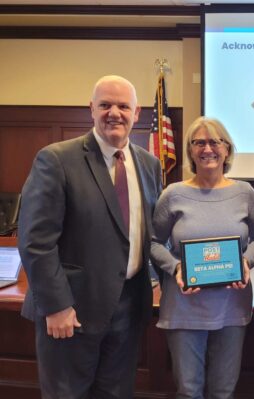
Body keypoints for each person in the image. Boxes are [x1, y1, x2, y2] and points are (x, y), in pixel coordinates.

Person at [18, 75, 163, 398]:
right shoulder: (57, 159)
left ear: (136, 113)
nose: (115, 113)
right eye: (105, 105)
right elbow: (35, 241)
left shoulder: (149, 165)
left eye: (123, 106)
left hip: (129, 307)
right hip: (72, 310)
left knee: (116, 393)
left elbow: (149, 234)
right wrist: (56, 306)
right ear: (91, 109)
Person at [151, 116, 254, 399]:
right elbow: (153, 243)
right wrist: (176, 267)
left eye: (215, 141)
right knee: (189, 391)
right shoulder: (173, 194)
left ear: (227, 149)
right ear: (190, 151)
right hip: (184, 307)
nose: (207, 149)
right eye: (198, 142)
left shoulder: (245, 193)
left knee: (223, 391)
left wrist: (245, 261)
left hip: (231, 308)